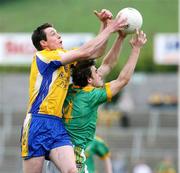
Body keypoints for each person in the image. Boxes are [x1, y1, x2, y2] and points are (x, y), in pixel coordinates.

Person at [20, 9, 128, 173]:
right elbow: (86, 51)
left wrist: (104, 24)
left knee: (72, 170)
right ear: (44, 43)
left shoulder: (64, 58)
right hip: (37, 121)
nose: (59, 36)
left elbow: (95, 53)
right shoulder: (43, 56)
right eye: (53, 34)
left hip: (56, 124)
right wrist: (110, 29)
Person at [46, 28, 147, 173]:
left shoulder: (70, 89)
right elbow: (123, 79)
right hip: (73, 158)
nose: (99, 73)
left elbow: (107, 65)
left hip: (56, 155)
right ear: (89, 79)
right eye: (96, 72)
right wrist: (136, 49)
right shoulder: (92, 95)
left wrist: (120, 38)